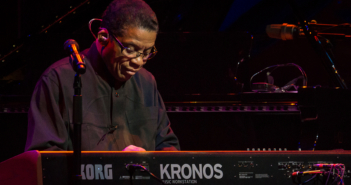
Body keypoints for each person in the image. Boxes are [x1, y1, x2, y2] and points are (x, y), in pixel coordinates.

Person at [25, 0, 180, 151]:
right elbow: (45, 161)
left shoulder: (146, 82)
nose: (139, 62)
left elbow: (167, 145)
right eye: (130, 49)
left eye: (147, 53)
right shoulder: (58, 80)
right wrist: (116, 168)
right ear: (103, 38)